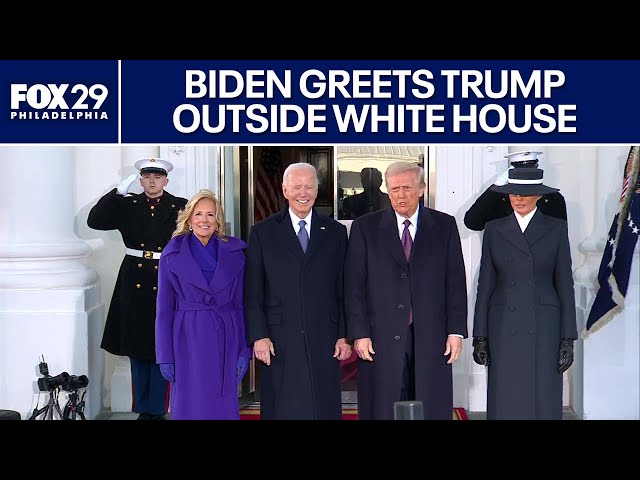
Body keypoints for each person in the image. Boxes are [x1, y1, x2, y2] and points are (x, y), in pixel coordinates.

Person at [344, 161, 468, 420]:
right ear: (387, 191)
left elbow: (455, 282)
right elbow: (354, 285)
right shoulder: (365, 228)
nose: (400, 195)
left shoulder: (444, 226)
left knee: (429, 403)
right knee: (384, 405)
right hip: (380, 336)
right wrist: (360, 333)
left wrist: (456, 331)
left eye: (407, 188)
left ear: (421, 189)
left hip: (431, 335)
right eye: (394, 189)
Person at [244, 162, 351, 420]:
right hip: (279, 337)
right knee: (283, 403)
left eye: (309, 187)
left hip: (324, 334)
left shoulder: (335, 232)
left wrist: (344, 335)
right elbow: (253, 290)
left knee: (322, 403)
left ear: (317, 189)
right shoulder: (263, 232)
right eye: (296, 187)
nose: (303, 193)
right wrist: (259, 335)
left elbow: (344, 288)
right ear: (284, 190)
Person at [472, 166, 577, 420]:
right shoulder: (494, 230)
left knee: (543, 395)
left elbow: (565, 284)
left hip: (545, 325)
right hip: (503, 323)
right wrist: (480, 336)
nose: (518, 198)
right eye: (512, 193)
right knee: (505, 395)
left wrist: (567, 339)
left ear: (539, 196)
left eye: (525, 193)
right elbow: (484, 286)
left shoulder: (556, 228)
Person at [87, 157, 187, 420]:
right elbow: (95, 221)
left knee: (163, 345)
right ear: (140, 180)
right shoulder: (128, 204)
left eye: (157, 177)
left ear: (166, 180)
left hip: (167, 274)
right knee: (136, 346)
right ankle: (144, 408)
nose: (151, 181)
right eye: (146, 177)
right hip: (134, 277)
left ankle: (157, 408)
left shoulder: (180, 206)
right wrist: (117, 193)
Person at [155, 189, 251, 420]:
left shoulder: (235, 252)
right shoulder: (172, 253)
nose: (204, 220)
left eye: (210, 214)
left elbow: (240, 305)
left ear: (218, 220)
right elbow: (164, 310)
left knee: (222, 406)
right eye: (198, 214)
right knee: (190, 405)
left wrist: (243, 350)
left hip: (225, 338)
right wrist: (164, 355)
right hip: (186, 339)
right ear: (189, 219)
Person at [464, 150, 567, 231]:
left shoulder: (553, 198)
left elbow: (560, 236)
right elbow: (472, 223)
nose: (525, 175)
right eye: (521, 171)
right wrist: (496, 187)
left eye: (529, 169)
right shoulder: (500, 197)